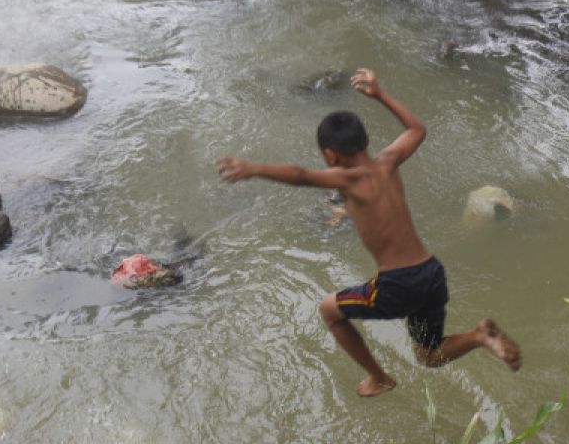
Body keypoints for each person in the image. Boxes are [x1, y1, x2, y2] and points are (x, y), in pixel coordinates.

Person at [217, 68, 521, 397]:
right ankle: (480, 336)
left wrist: (256, 168)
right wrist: (380, 95)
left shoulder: (350, 180)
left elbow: (301, 174)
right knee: (429, 356)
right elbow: (418, 129)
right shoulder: (388, 161)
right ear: (367, 141)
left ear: (331, 155)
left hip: (398, 283)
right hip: (431, 273)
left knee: (329, 309)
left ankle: (379, 378)